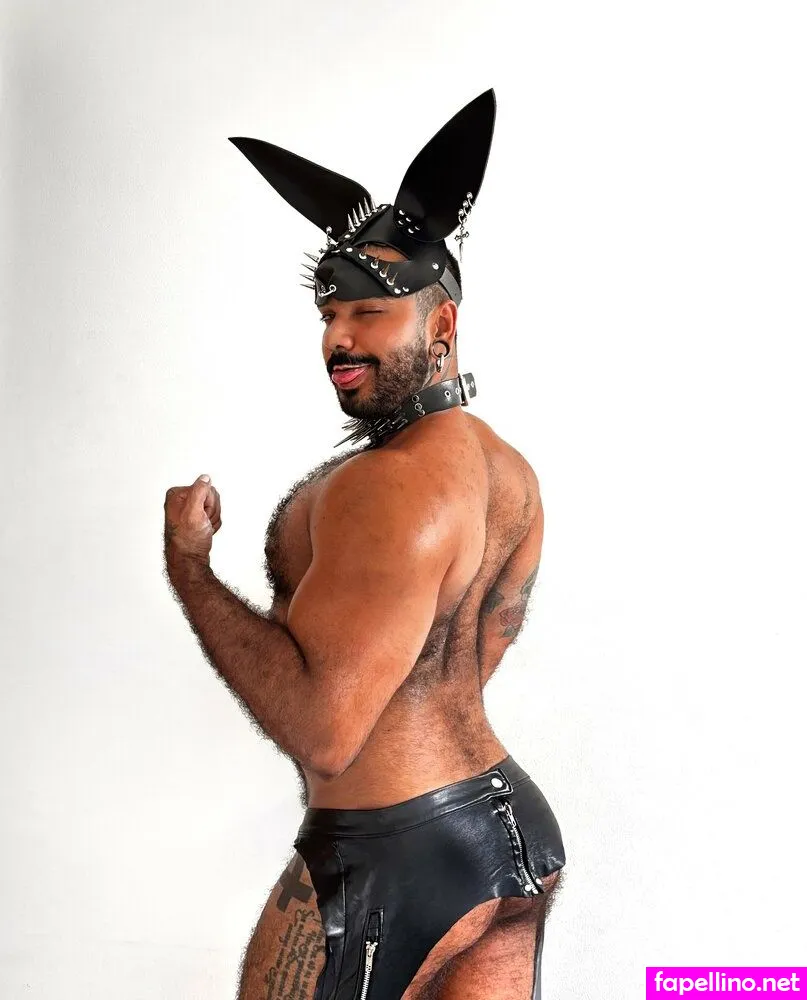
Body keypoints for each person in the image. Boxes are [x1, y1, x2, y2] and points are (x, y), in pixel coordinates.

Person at [164, 89, 566, 1000]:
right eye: (329, 313)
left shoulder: (383, 486)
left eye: (369, 312)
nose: (337, 339)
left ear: (441, 325)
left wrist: (190, 569)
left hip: (391, 855)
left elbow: (327, 734)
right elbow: (473, 653)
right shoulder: (507, 472)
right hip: (511, 836)